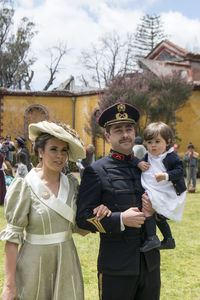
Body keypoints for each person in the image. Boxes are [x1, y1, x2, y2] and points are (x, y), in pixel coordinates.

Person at [0, 120, 110, 300]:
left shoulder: (72, 185)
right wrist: (9, 285)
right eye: (53, 149)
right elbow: (12, 240)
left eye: (64, 150)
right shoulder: (24, 185)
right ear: (40, 151)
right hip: (33, 264)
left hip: (66, 261)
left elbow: (80, 230)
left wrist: (99, 214)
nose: (59, 156)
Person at [76, 103, 161, 300]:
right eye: (118, 130)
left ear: (134, 132)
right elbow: (82, 218)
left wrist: (158, 210)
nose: (125, 135)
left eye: (129, 129)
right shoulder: (95, 171)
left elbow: (162, 207)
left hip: (150, 265)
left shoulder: (147, 168)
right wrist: (120, 219)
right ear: (108, 136)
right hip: (116, 266)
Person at [139, 122, 186, 252]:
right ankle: (169, 240)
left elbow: (179, 172)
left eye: (157, 141)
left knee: (147, 209)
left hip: (168, 192)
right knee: (157, 215)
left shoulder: (171, 157)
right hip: (155, 189)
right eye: (149, 142)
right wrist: (140, 164)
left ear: (168, 141)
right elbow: (140, 162)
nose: (153, 145)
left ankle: (152, 238)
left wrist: (165, 176)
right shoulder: (148, 156)